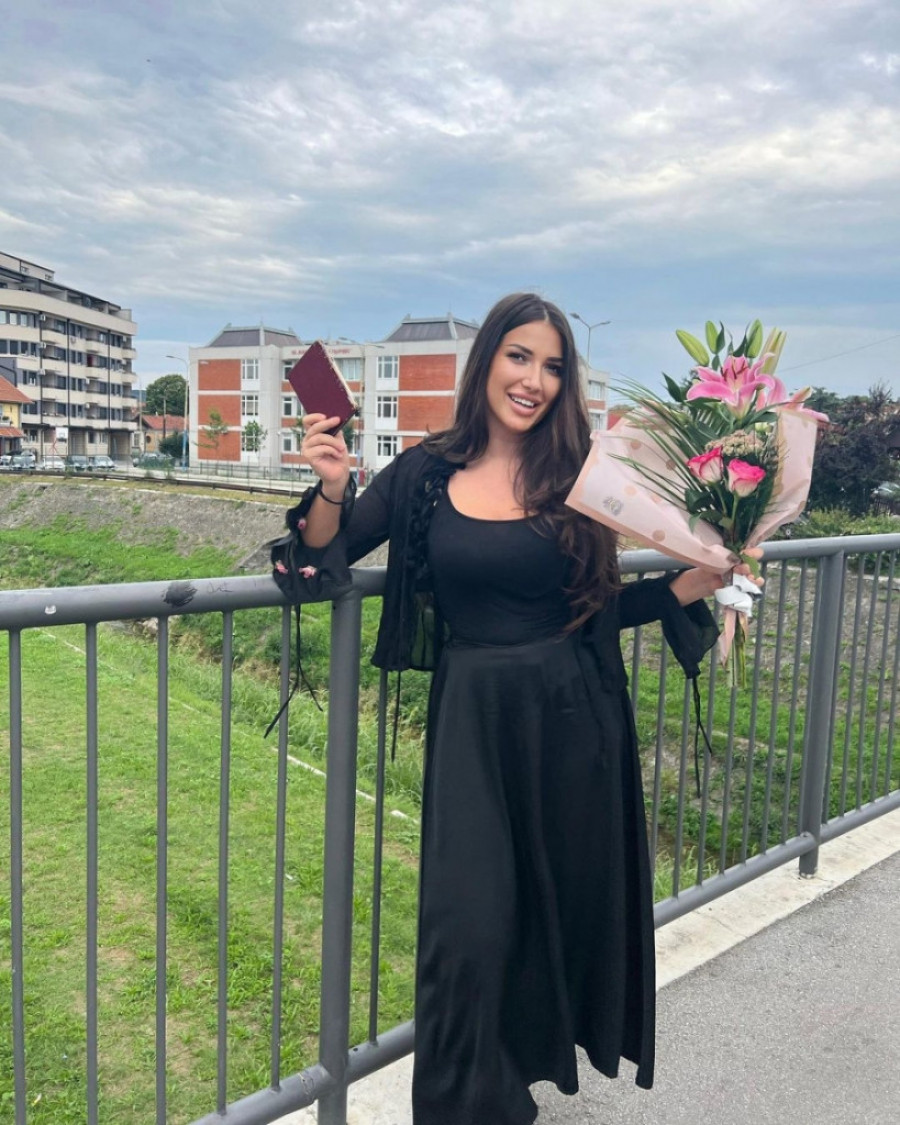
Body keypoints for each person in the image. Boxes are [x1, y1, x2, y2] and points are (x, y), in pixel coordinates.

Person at [287, 293, 745, 1125]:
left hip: (573, 722)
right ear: (488, 360)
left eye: (553, 366)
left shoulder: (579, 478)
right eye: (519, 356)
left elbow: (593, 610)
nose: (534, 380)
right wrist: (331, 486)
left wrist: (688, 584)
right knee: (466, 931)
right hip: (474, 723)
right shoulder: (425, 472)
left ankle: (510, 1093)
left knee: (546, 915)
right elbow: (321, 560)